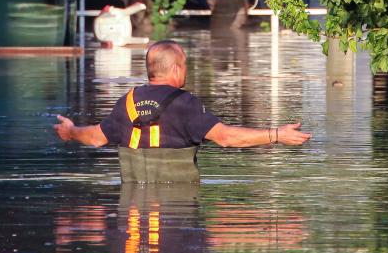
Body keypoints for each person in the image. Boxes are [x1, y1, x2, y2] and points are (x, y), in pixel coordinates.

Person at [54, 40, 311, 182]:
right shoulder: (185, 103)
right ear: (176, 69)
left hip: (133, 200)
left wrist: (71, 130)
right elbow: (226, 137)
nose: (186, 70)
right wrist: (276, 134)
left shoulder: (127, 101)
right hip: (180, 201)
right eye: (185, 65)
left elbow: (96, 138)